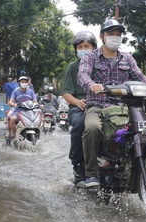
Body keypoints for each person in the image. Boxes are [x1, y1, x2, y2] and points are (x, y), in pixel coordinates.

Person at [78, 19, 146, 188]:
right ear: (102, 36)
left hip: (125, 108)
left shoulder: (127, 58)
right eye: (111, 34)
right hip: (98, 106)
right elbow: (82, 76)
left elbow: (141, 77)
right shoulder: (90, 56)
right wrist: (92, 85)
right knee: (92, 128)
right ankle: (91, 174)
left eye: (118, 34)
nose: (115, 37)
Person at [61, 30, 97, 187]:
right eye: (81, 47)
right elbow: (66, 93)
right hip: (79, 106)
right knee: (79, 125)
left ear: (94, 48)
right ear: (76, 50)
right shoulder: (72, 67)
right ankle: (77, 164)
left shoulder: (100, 65)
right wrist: (77, 102)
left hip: (100, 104)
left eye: (87, 46)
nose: (84, 49)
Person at [7, 76, 38, 141]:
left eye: (25, 82)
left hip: (29, 111)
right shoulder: (15, 91)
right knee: (12, 119)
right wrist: (13, 104)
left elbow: (35, 101)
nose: (24, 83)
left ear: (28, 83)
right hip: (18, 111)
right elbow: (10, 101)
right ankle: (15, 136)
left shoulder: (31, 91)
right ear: (19, 83)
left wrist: (36, 104)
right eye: (22, 82)